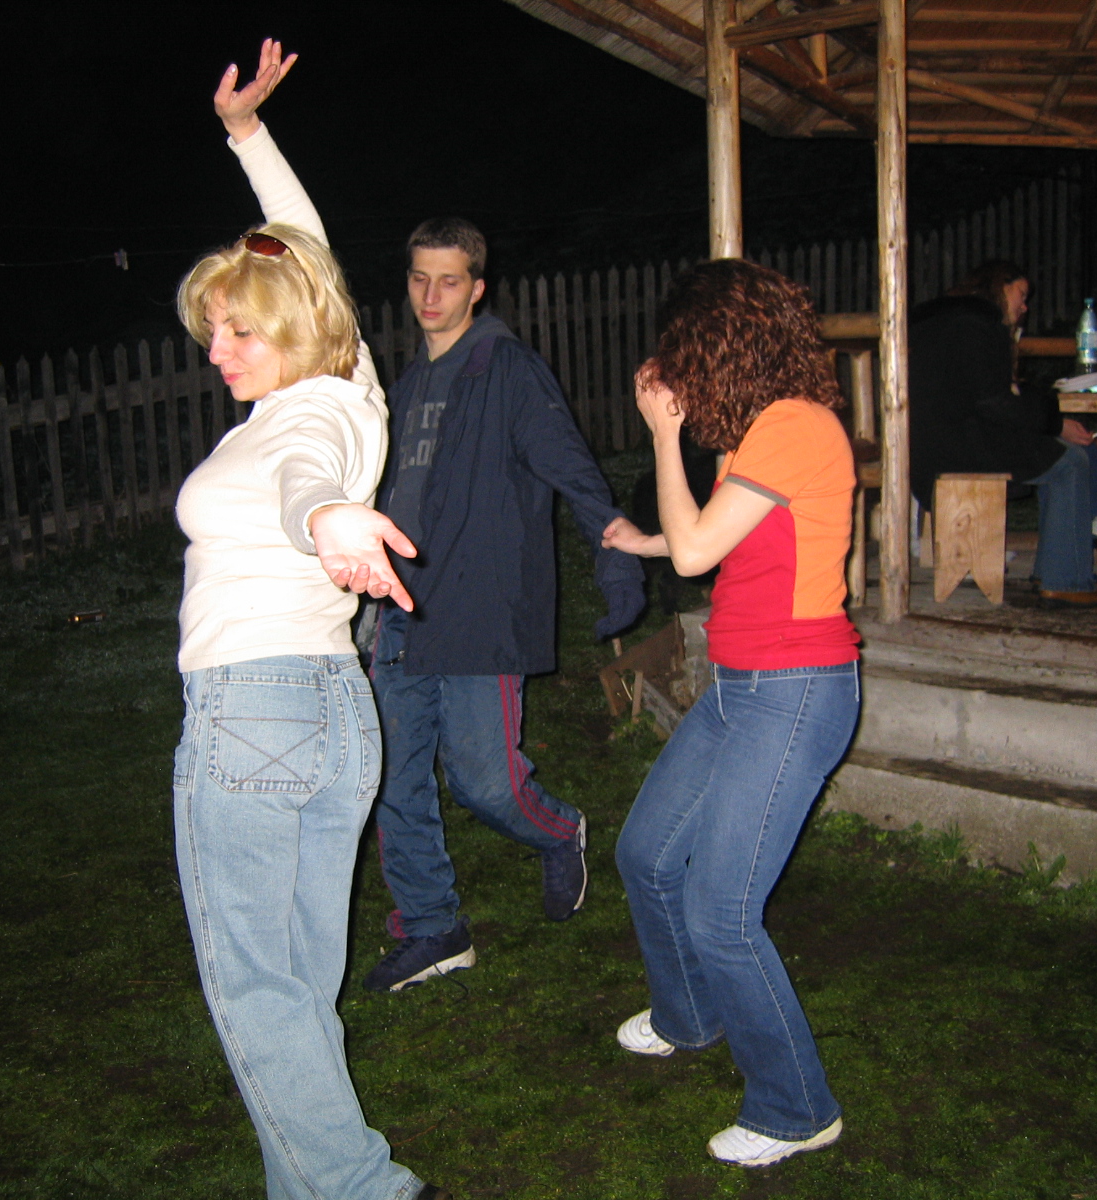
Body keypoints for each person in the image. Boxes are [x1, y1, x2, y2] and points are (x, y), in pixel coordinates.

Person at [229, 108, 646, 994]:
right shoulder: (409, 382)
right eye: (420, 279)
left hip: (481, 609)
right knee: (392, 781)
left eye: (449, 282)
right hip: (401, 615)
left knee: (487, 782)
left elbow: (573, 469)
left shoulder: (508, 371)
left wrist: (614, 554)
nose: (430, 296)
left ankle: (560, 829)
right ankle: (432, 925)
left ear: (477, 288)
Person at [171, 40, 449, 1200]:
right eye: (212, 331)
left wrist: (329, 518)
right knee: (294, 993)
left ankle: (367, 1189)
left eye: (241, 330)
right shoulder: (351, 388)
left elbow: (308, 482)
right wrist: (248, 137)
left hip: (255, 717)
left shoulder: (306, 422)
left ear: (294, 327)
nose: (219, 351)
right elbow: (307, 247)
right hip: (331, 715)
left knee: (258, 994)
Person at [601, 260, 859, 1168]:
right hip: (742, 685)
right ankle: (691, 1016)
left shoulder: (795, 426)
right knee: (646, 854)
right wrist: (650, 537)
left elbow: (697, 552)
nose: (675, 367)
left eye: (684, 349)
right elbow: (717, 547)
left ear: (723, 344)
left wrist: (664, 436)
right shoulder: (763, 431)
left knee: (721, 911)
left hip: (795, 690)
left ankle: (797, 1107)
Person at [909, 261, 1097, 608]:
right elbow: (994, 402)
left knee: (1068, 449)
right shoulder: (977, 325)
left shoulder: (940, 320)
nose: (1025, 306)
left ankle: (1070, 551)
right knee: (1069, 461)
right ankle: (1066, 580)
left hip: (931, 442)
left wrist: (1048, 419)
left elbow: (989, 393)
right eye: (1021, 295)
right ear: (999, 286)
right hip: (956, 446)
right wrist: (1054, 423)